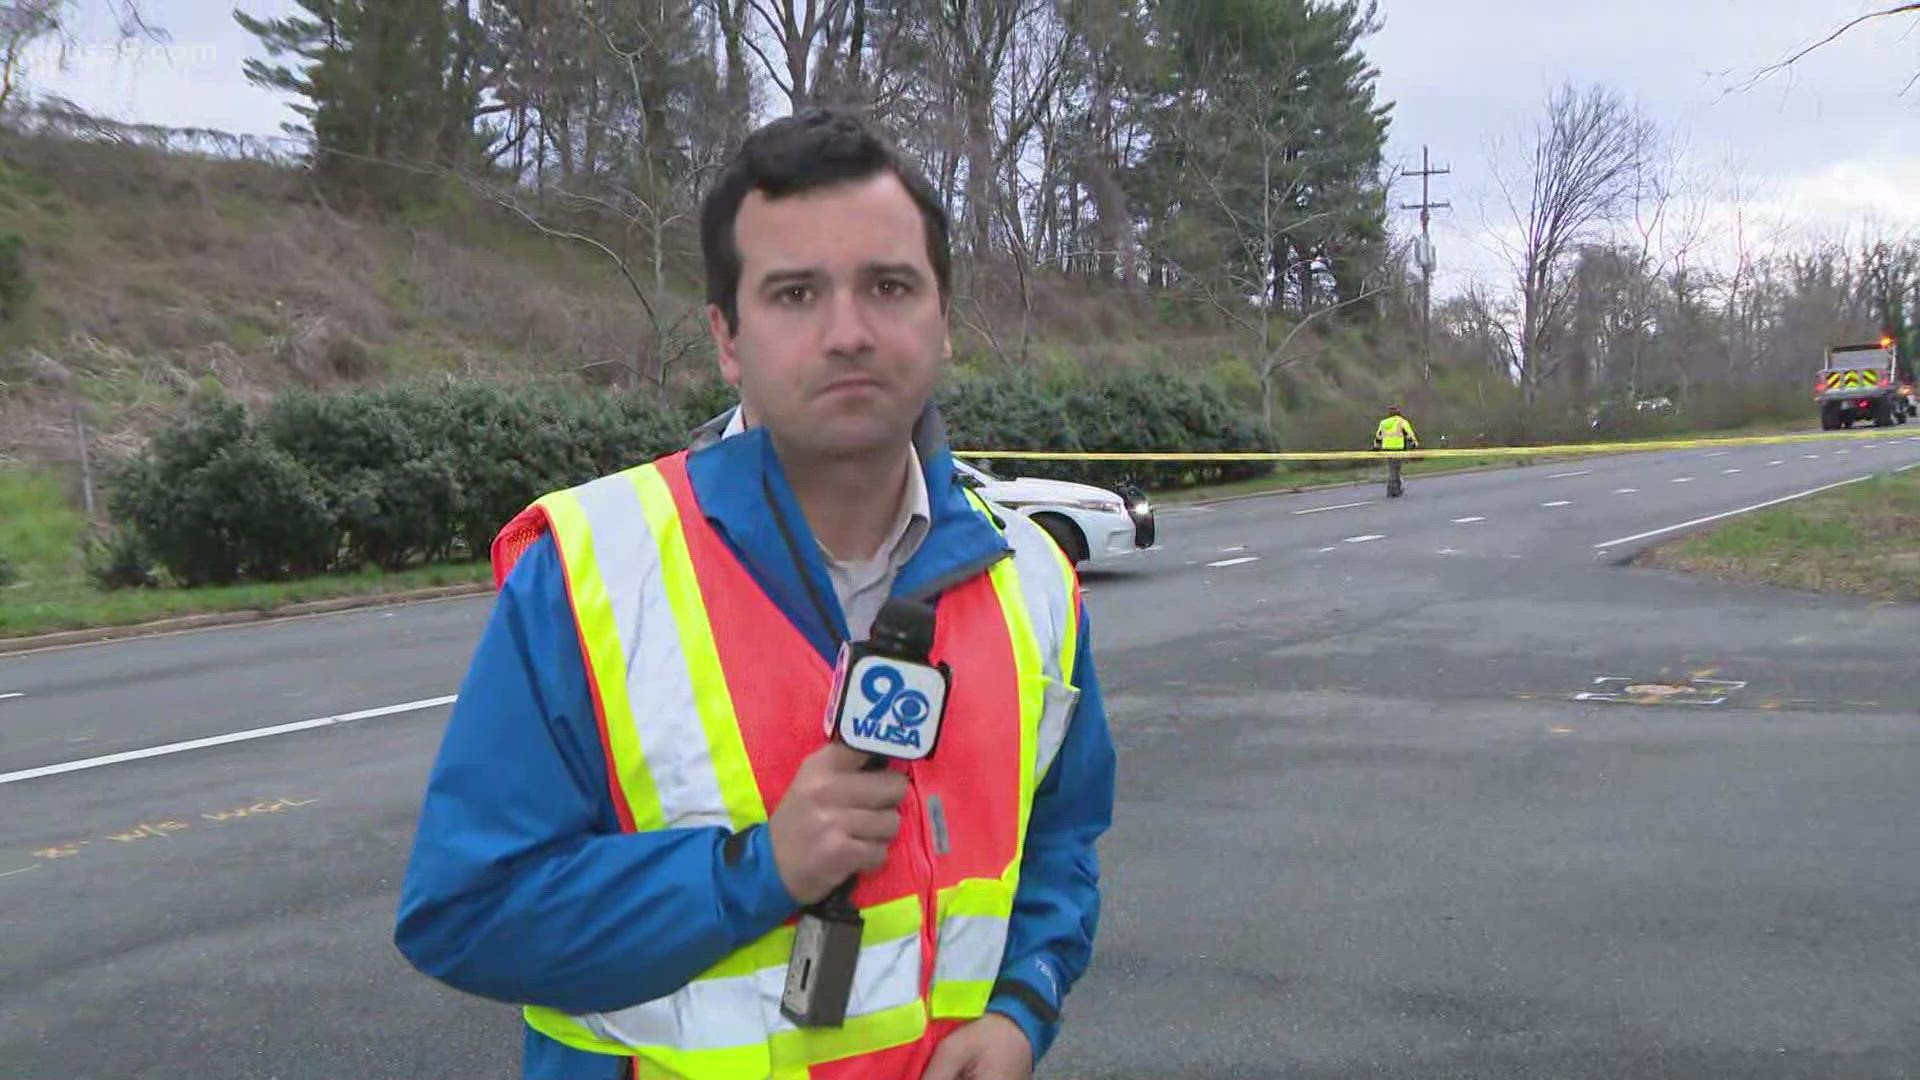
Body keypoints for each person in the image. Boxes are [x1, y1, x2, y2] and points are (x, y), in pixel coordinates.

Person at [393, 107, 1117, 1080]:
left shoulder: (1033, 581)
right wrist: (754, 872)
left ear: (944, 319)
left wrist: (1023, 1006)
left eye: (889, 286)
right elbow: (464, 912)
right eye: (795, 294)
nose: (848, 332)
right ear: (728, 339)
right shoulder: (592, 575)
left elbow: (1061, 842)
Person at [1373, 405, 1419, 497]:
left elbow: (1378, 436)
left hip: (1386, 448)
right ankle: (1393, 490)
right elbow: (1409, 434)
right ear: (1399, 412)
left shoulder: (1383, 422)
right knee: (1395, 470)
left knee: (1392, 469)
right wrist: (1414, 444)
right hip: (1397, 448)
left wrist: (1376, 446)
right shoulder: (1401, 422)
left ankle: (1394, 489)